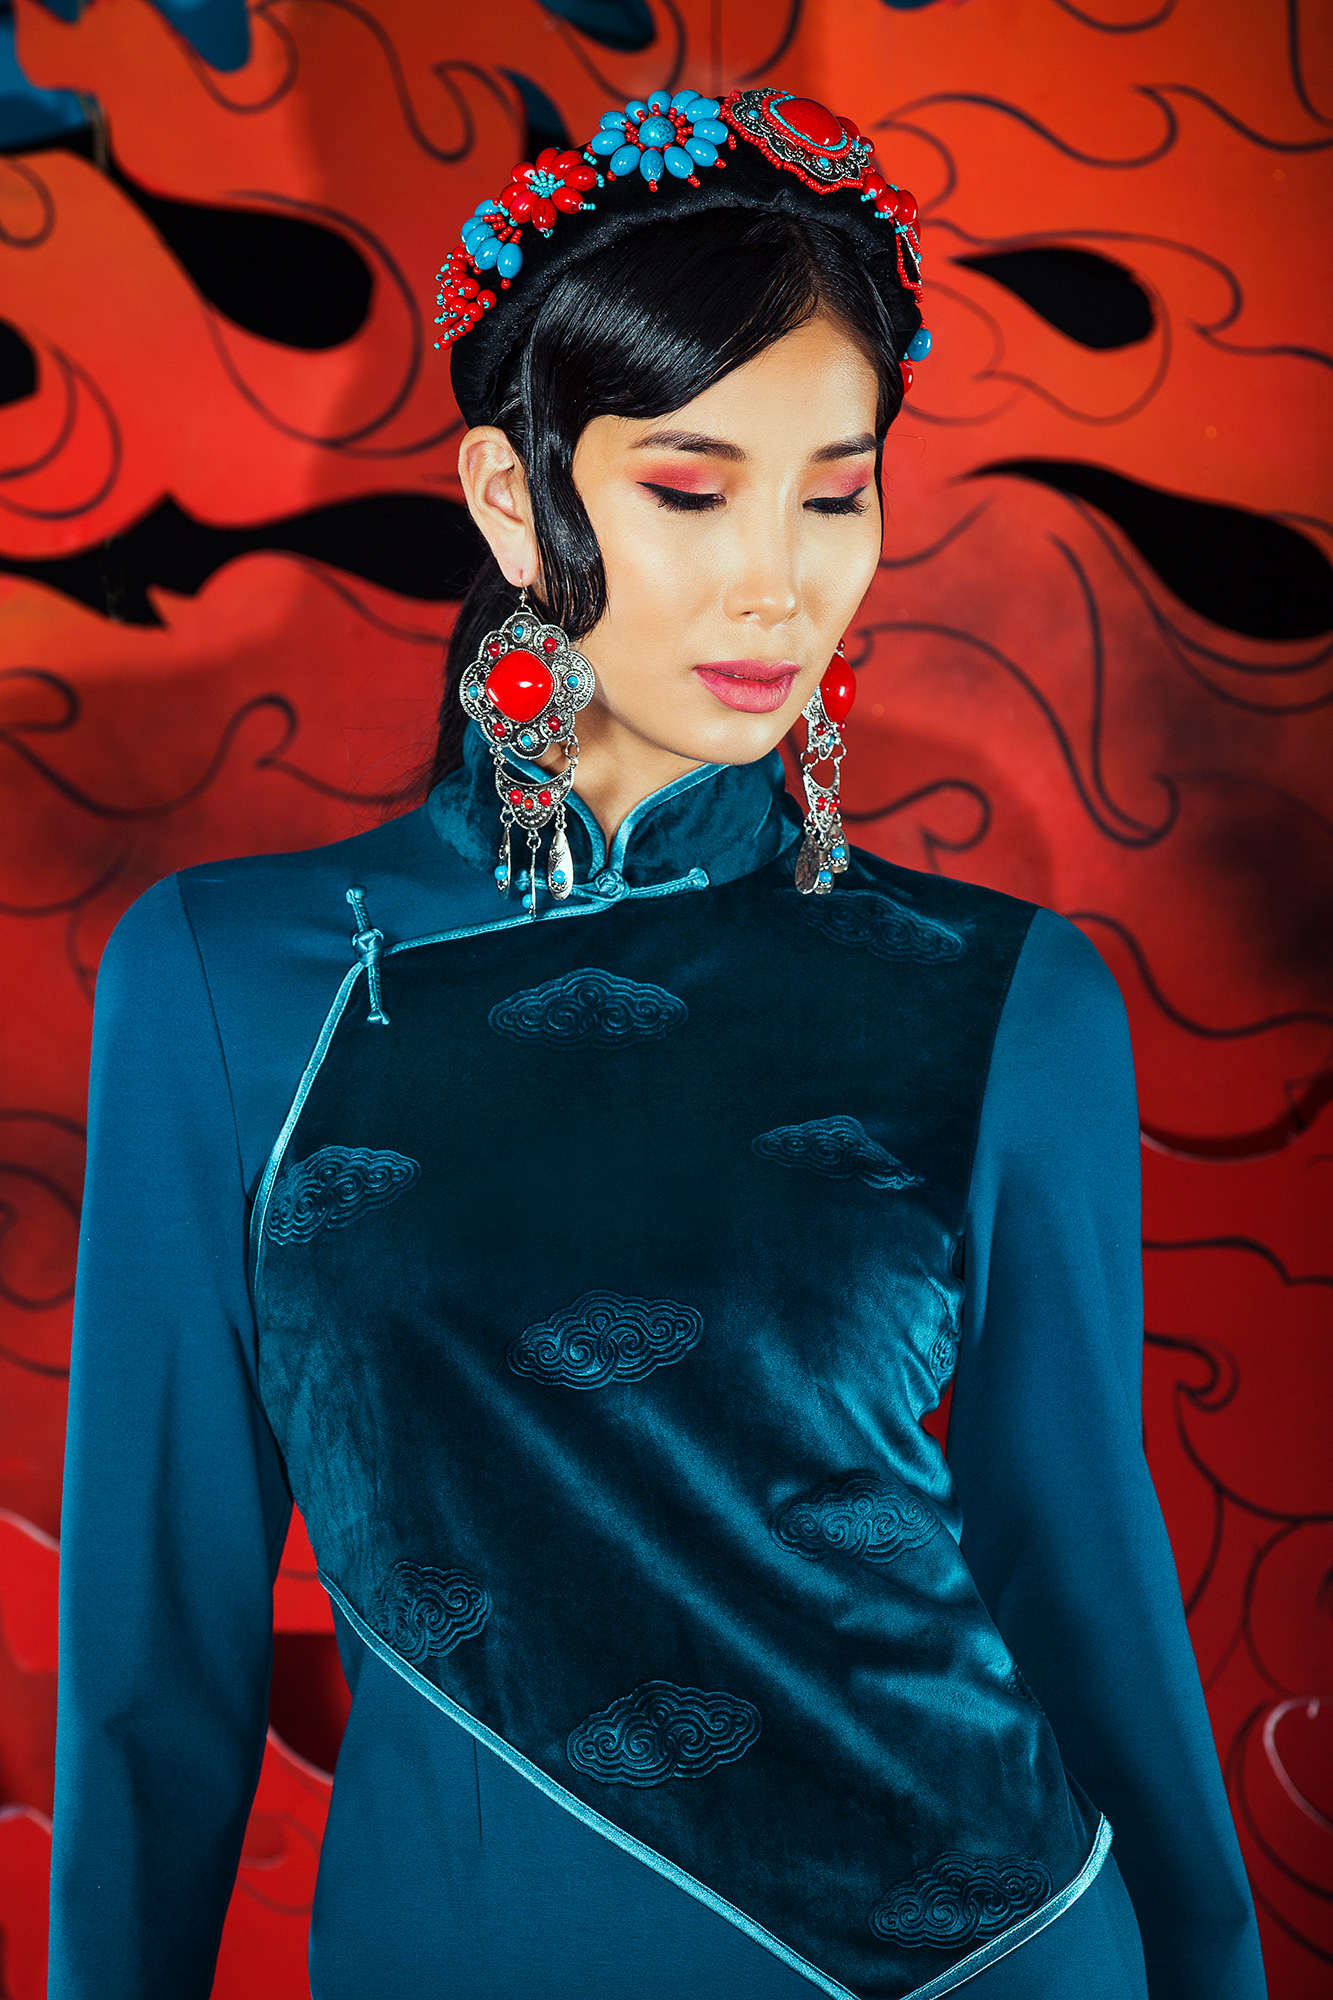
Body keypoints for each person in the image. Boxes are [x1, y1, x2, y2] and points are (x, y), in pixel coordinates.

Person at [49, 85, 1266, 2000]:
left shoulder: (1002, 993)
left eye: (833, 491)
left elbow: (1079, 1568)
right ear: (509, 497)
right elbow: (151, 1666)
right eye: (691, 490)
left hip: (987, 1953)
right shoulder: (226, 979)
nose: (778, 579)